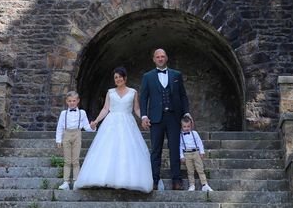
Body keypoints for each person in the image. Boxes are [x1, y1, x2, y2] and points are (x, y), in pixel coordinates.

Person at [73, 67, 153, 193]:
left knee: (127, 150)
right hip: (111, 122)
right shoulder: (110, 92)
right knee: (107, 148)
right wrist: (96, 121)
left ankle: (126, 179)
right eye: (116, 77)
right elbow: (106, 109)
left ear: (125, 78)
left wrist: (144, 117)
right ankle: (101, 177)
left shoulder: (133, 92)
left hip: (127, 122)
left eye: (120, 77)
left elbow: (137, 109)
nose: (118, 79)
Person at [140, 48, 190, 191]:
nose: (160, 59)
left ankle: (177, 181)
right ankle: (154, 180)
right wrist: (144, 116)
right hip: (156, 119)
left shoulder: (176, 75)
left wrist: (187, 113)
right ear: (154, 59)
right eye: (158, 57)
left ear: (166, 58)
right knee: (156, 150)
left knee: (174, 149)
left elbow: (183, 96)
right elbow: (143, 97)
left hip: (174, 117)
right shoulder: (147, 77)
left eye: (163, 56)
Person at [55, 91, 94, 190]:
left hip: (77, 135)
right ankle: (66, 182)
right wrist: (58, 140)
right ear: (66, 102)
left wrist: (92, 127)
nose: (72, 103)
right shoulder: (63, 113)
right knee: (67, 161)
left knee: (75, 160)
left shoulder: (82, 113)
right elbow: (59, 127)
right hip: (66, 135)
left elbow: (86, 127)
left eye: (74, 101)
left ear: (78, 101)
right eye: (69, 101)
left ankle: (76, 181)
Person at [179, 116, 213, 192]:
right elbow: (180, 146)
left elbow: (199, 142)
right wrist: (181, 156)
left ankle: (204, 184)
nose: (187, 128)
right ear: (181, 127)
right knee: (190, 171)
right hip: (187, 154)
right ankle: (192, 185)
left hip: (196, 153)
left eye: (188, 126)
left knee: (200, 168)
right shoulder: (180, 135)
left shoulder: (194, 133)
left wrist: (202, 152)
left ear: (191, 126)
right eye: (184, 126)